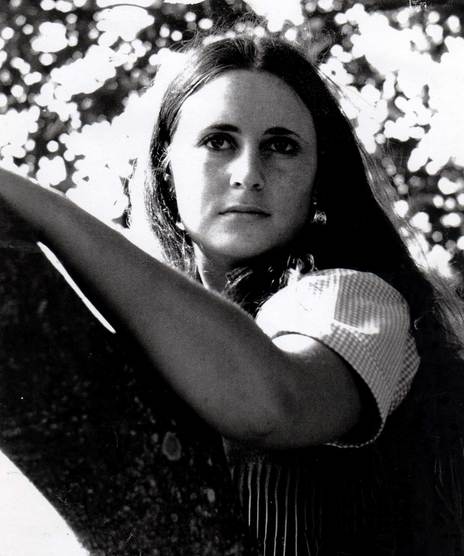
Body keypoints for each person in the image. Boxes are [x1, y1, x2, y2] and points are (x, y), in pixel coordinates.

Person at [1, 33, 463, 555]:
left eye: (281, 147)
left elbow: (273, 405)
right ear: (166, 172)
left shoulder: (357, 299)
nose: (248, 174)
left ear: (319, 183)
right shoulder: (147, 320)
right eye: (219, 142)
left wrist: (45, 210)